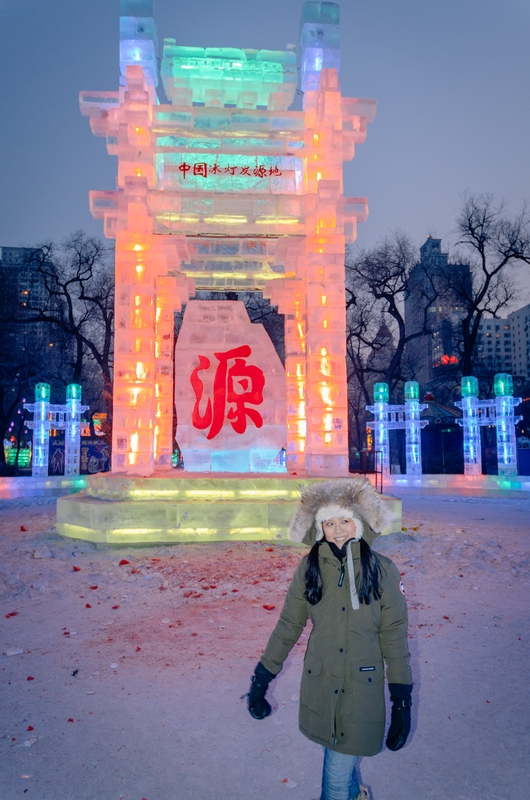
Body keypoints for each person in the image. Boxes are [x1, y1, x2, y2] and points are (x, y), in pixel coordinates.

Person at [247, 478, 412, 800]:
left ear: (361, 523)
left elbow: (394, 636)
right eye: (329, 523)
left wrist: (401, 701)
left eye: (346, 521)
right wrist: (261, 678)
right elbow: (289, 624)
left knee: (334, 780)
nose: (338, 531)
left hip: (360, 687)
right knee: (337, 757)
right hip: (320, 682)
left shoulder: (383, 571)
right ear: (319, 527)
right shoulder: (309, 568)